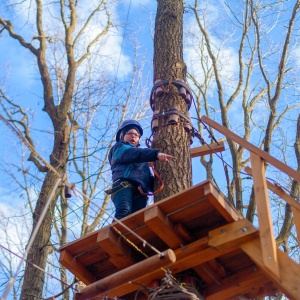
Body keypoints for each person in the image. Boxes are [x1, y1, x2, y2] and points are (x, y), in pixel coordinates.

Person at [108, 119, 173, 220]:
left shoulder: (143, 163)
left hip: (140, 191)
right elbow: (134, 153)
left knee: (137, 220)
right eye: (130, 133)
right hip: (123, 185)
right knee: (124, 211)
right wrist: (155, 154)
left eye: (136, 135)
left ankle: (130, 236)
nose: (133, 136)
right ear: (122, 135)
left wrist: (167, 178)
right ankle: (116, 234)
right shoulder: (119, 149)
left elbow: (148, 180)